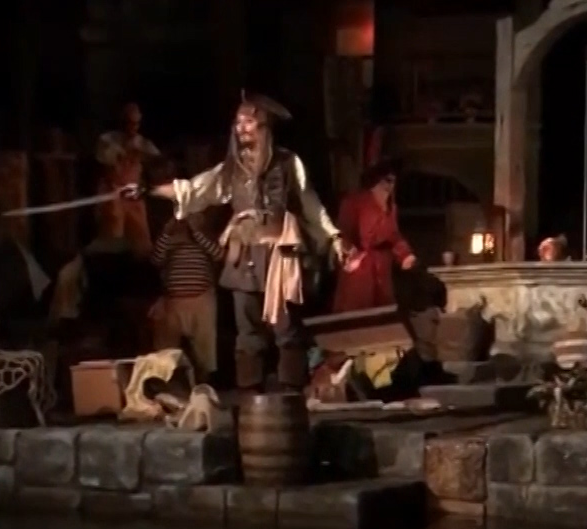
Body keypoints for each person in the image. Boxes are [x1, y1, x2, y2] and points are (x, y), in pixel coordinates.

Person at [123, 91, 351, 391]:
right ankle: (250, 396)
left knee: (286, 332)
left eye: (248, 122)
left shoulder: (287, 163)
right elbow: (194, 190)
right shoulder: (232, 169)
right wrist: (148, 190)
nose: (241, 127)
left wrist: (334, 236)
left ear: (265, 126)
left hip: (279, 256)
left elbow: (311, 204)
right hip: (245, 258)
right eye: (238, 122)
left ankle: (290, 396)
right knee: (248, 334)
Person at [330, 158, 416, 312]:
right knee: (358, 310)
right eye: (387, 180)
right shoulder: (354, 202)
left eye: (393, 181)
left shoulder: (391, 207)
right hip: (360, 268)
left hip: (382, 268)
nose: (390, 185)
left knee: (383, 310)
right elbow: (344, 231)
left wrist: (404, 254)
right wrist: (349, 253)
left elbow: (393, 235)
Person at [150, 216, 222, 382]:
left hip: (201, 301)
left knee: (204, 348)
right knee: (166, 349)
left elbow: (218, 254)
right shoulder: (169, 241)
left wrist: (196, 233)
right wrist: (167, 233)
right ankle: (167, 382)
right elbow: (155, 259)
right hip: (173, 302)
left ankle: (204, 383)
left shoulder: (204, 240)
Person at [95, 102, 161, 251]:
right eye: (129, 123)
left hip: (134, 194)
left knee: (141, 240)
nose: (132, 127)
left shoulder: (142, 142)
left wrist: (144, 154)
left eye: (136, 123)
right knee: (113, 236)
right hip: (113, 193)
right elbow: (104, 160)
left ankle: (141, 260)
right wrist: (124, 151)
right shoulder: (107, 140)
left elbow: (158, 159)